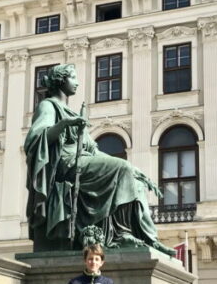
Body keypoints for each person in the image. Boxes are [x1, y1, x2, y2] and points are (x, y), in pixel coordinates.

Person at [25, 64, 175, 254]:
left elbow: (93, 151)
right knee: (121, 170)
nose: (77, 83)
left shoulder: (71, 111)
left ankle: (147, 237)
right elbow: (37, 137)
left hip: (82, 159)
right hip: (65, 162)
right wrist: (63, 124)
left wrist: (133, 168)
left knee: (133, 178)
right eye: (73, 77)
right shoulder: (48, 106)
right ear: (61, 80)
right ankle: (121, 234)